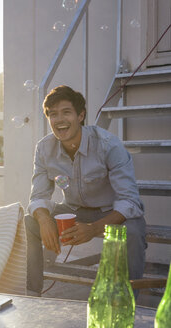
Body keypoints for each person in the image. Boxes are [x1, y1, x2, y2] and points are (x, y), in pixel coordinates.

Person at [25, 85, 146, 296]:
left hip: (111, 213)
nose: (59, 120)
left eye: (66, 112)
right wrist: (44, 220)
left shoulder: (108, 145)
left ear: (81, 115)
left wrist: (92, 228)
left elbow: (130, 202)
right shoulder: (44, 148)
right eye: (53, 114)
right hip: (74, 211)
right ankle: (32, 294)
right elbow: (38, 196)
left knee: (133, 231)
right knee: (30, 221)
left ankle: (129, 299)